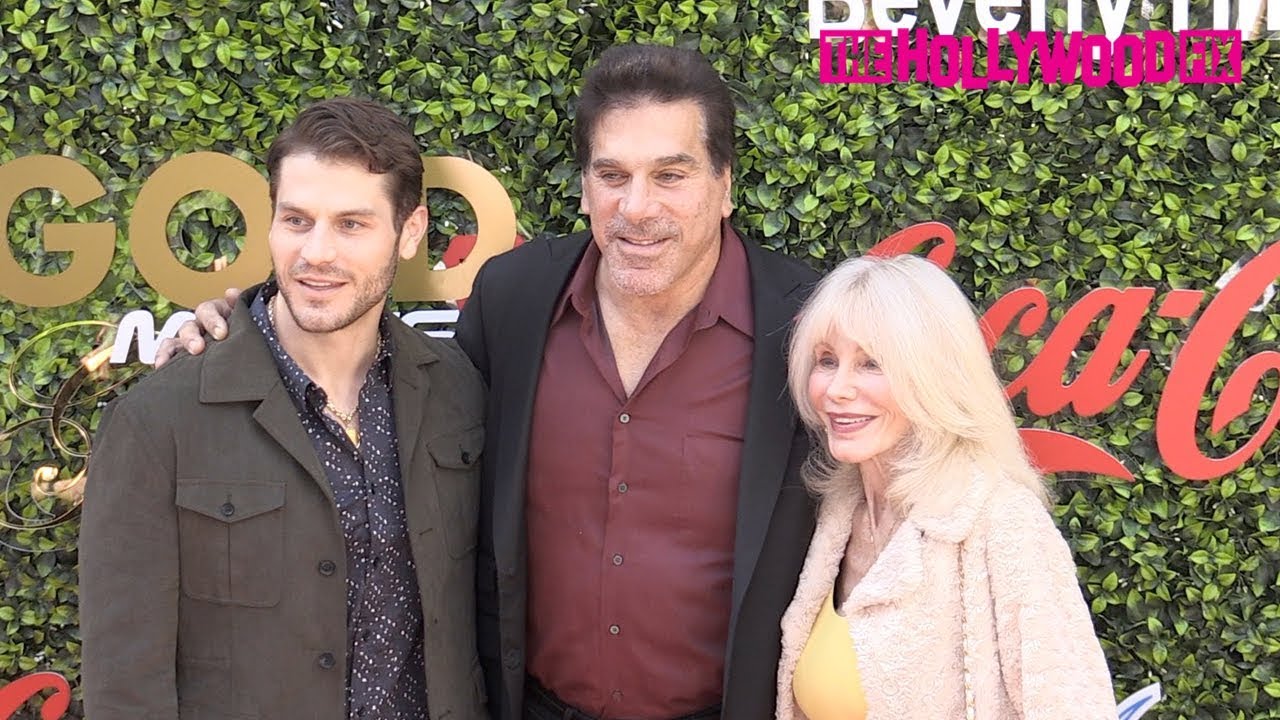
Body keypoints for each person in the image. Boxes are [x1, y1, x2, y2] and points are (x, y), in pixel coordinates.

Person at [159, 44, 821, 720]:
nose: (637, 206)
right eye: (612, 174)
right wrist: (246, 330)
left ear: (727, 184)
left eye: (671, 175)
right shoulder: (514, 299)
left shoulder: (811, 325)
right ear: (585, 187)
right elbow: (389, 396)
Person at [80, 98, 489, 720]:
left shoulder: (458, 392)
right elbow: (125, 677)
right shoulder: (159, 419)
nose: (316, 253)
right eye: (296, 220)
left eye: (351, 224)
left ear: (409, 232)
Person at [776, 254, 1117, 720]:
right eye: (828, 360)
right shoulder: (838, 512)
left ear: (933, 375)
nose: (837, 389)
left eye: (871, 363)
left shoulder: (999, 520)